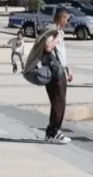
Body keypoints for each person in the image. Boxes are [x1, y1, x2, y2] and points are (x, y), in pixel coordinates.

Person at [24, 8, 74, 144]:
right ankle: (53, 133)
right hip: (54, 73)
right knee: (59, 102)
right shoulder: (52, 30)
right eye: (67, 19)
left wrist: (68, 69)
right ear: (61, 18)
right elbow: (48, 47)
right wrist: (57, 37)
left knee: (59, 102)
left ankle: (53, 132)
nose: (68, 22)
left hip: (59, 71)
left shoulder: (58, 31)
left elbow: (61, 53)